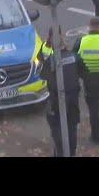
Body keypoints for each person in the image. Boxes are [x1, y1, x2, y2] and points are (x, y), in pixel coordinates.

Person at [39, 27, 81, 157]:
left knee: (58, 131)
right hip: (72, 100)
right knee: (71, 129)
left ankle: (61, 152)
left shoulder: (51, 60)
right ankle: (71, 153)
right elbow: (81, 71)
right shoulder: (74, 56)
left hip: (56, 101)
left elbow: (43, 75)